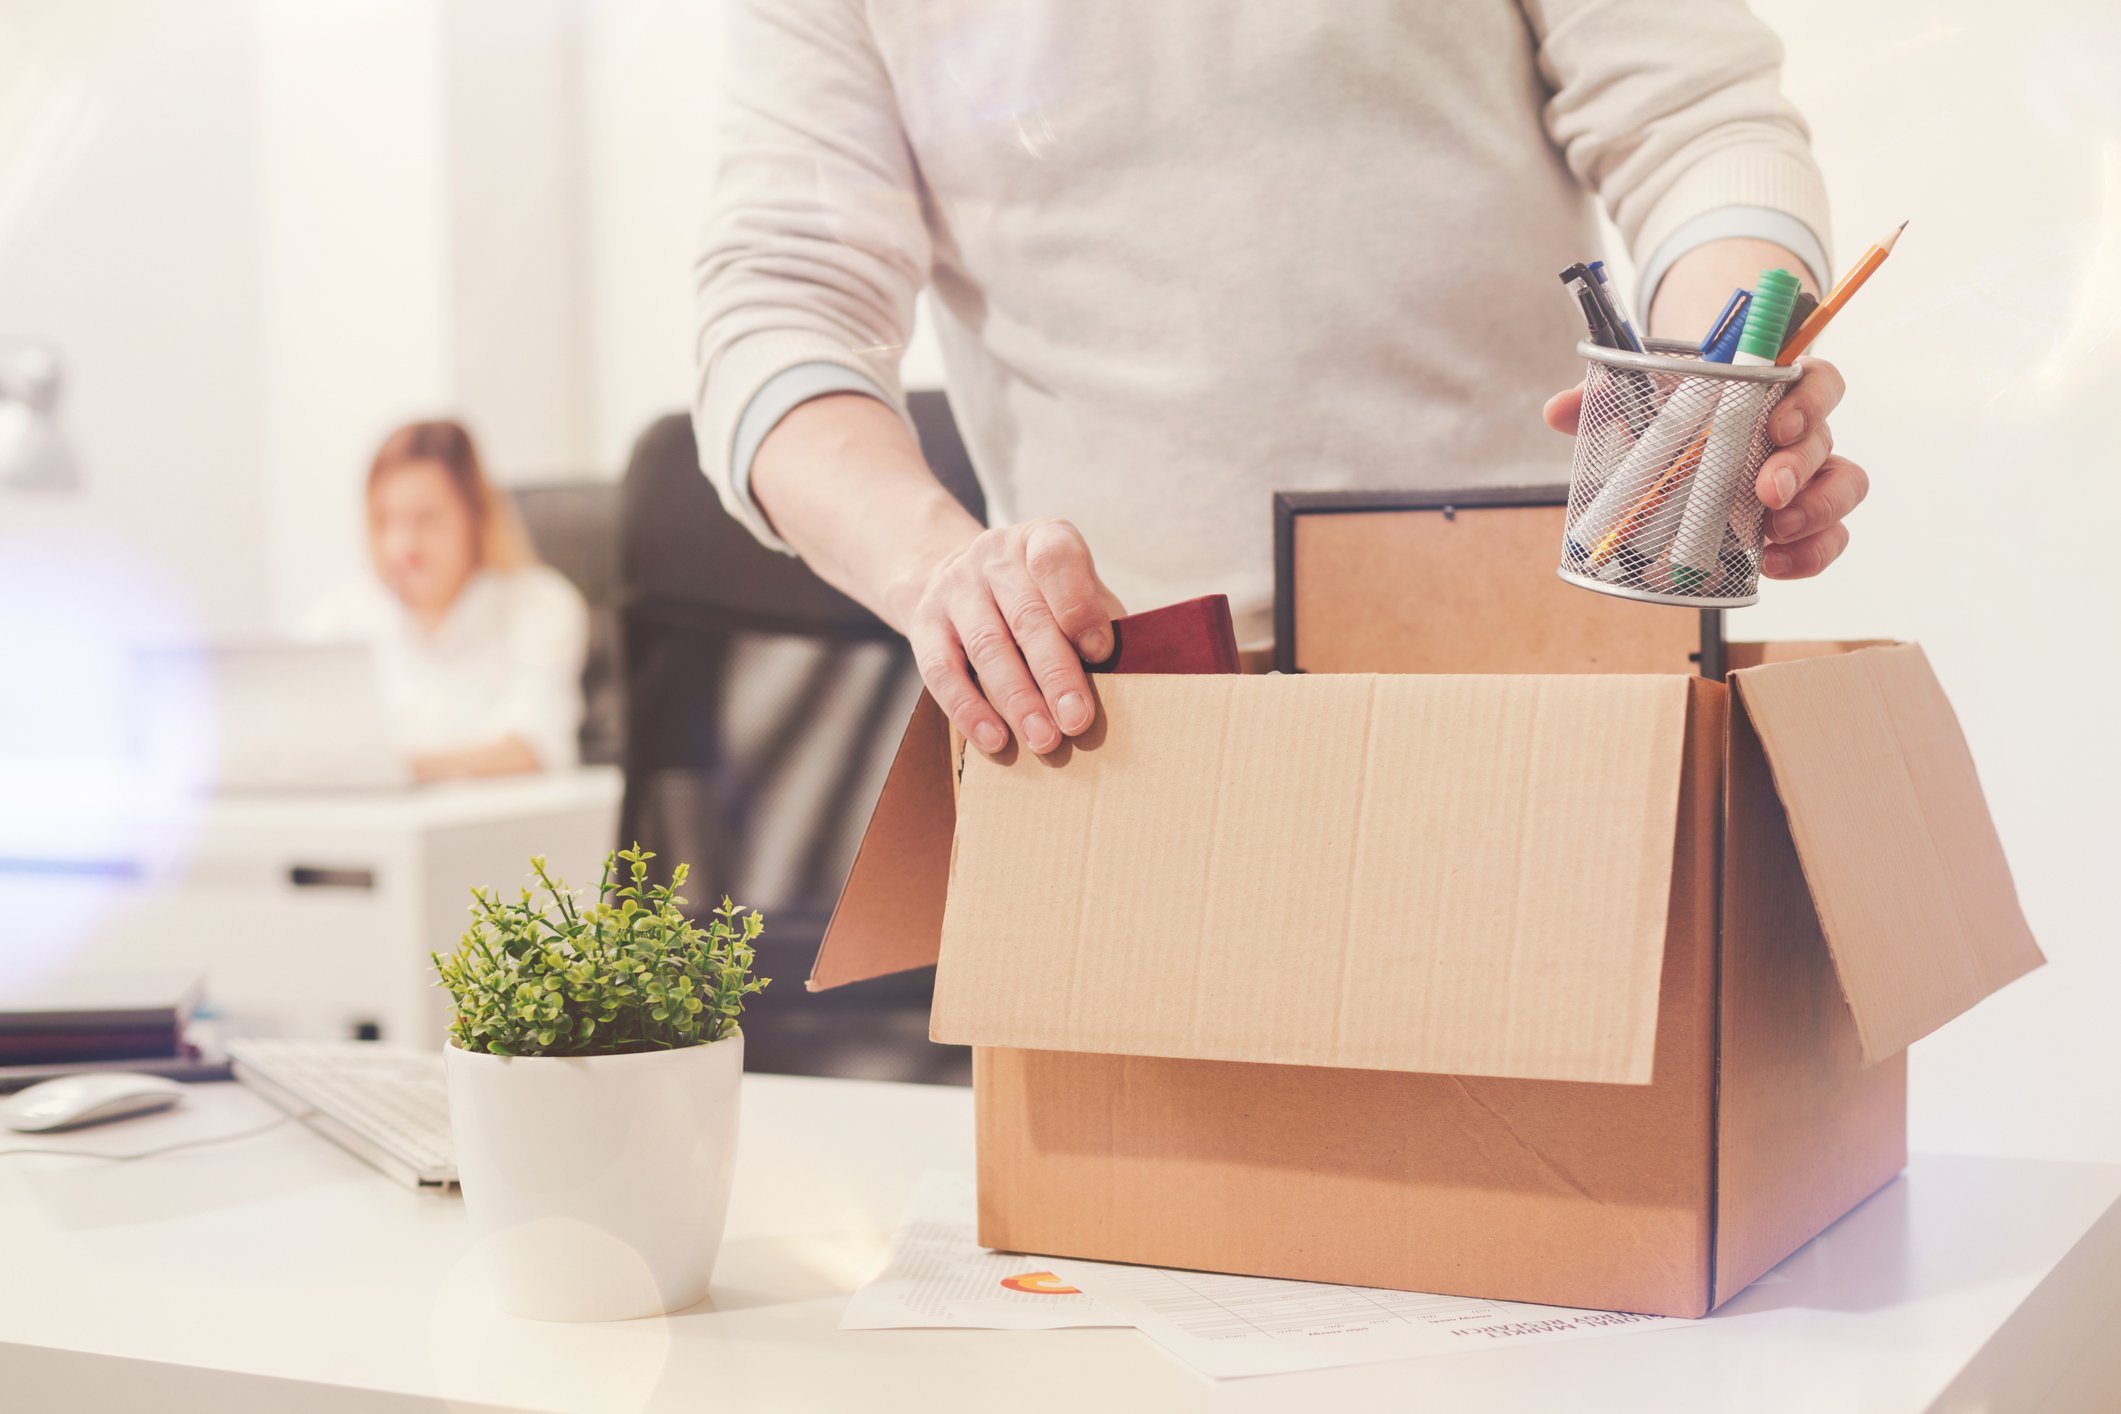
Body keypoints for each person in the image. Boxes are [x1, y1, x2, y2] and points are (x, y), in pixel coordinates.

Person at [694, 3, 1867, 758]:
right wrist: (938, 573)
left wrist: (1714, 393)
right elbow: (784, 301)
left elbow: (1698, 121)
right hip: (1129, 713)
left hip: (1542, 681)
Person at [306, 419, 588, 781]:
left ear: (475, 516)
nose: (404, 545)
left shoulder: (541, 606)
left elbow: (534, 747)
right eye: (387, 520)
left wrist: (396, 772)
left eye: (427, 520)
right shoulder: (342, 616)